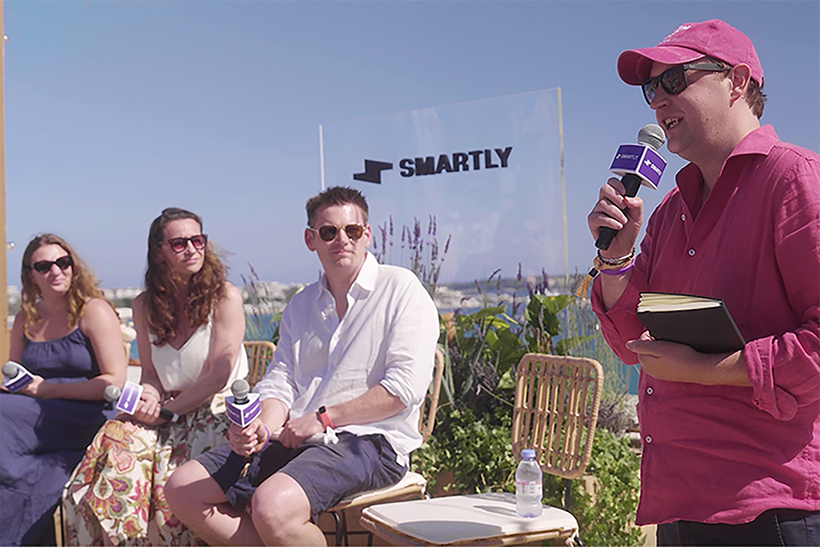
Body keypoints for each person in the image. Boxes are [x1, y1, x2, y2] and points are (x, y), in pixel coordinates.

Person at [587, 19, 820, 545]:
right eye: (651, 88)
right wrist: (617, 260)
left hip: (769, 510)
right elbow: (629, 344)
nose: (657, 102)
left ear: (736, 81)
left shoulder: (795, 180)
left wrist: (705, 368)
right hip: (681, 505)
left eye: (675, 81)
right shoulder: (670, 210)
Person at [165, 186, 440, 546]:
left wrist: (323, 418)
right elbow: (281, 382)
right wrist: (260, 426)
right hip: (297, 438)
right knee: (182, 489)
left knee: (273, 506)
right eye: (329, 232)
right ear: (311, 239)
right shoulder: (301, 304)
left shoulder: (401, 288)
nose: (341, 239)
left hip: (370, 442)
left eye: (352, 230)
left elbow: (402, 391)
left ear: (367, 234)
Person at [62, 208, 249, 545]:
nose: (192, 248)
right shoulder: (144, 305)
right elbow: (150, 374)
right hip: (171, 410)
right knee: (116, 436)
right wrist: (149, 398)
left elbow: (219, 374)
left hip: (216, 412)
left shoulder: (225, 297)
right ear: (159, 252)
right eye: (179, 243)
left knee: (155, 463)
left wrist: (168, 412)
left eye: (198, 240)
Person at [0, 234, 127, 546]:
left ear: (73, 266)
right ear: (31, 275)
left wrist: (48, 390)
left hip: (84, 413)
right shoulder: (25, 319)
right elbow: (16, 374)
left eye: (62, 262)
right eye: (43, 266)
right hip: (34, 415)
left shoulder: (93, 311)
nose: (55, 271)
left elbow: (114, 381)